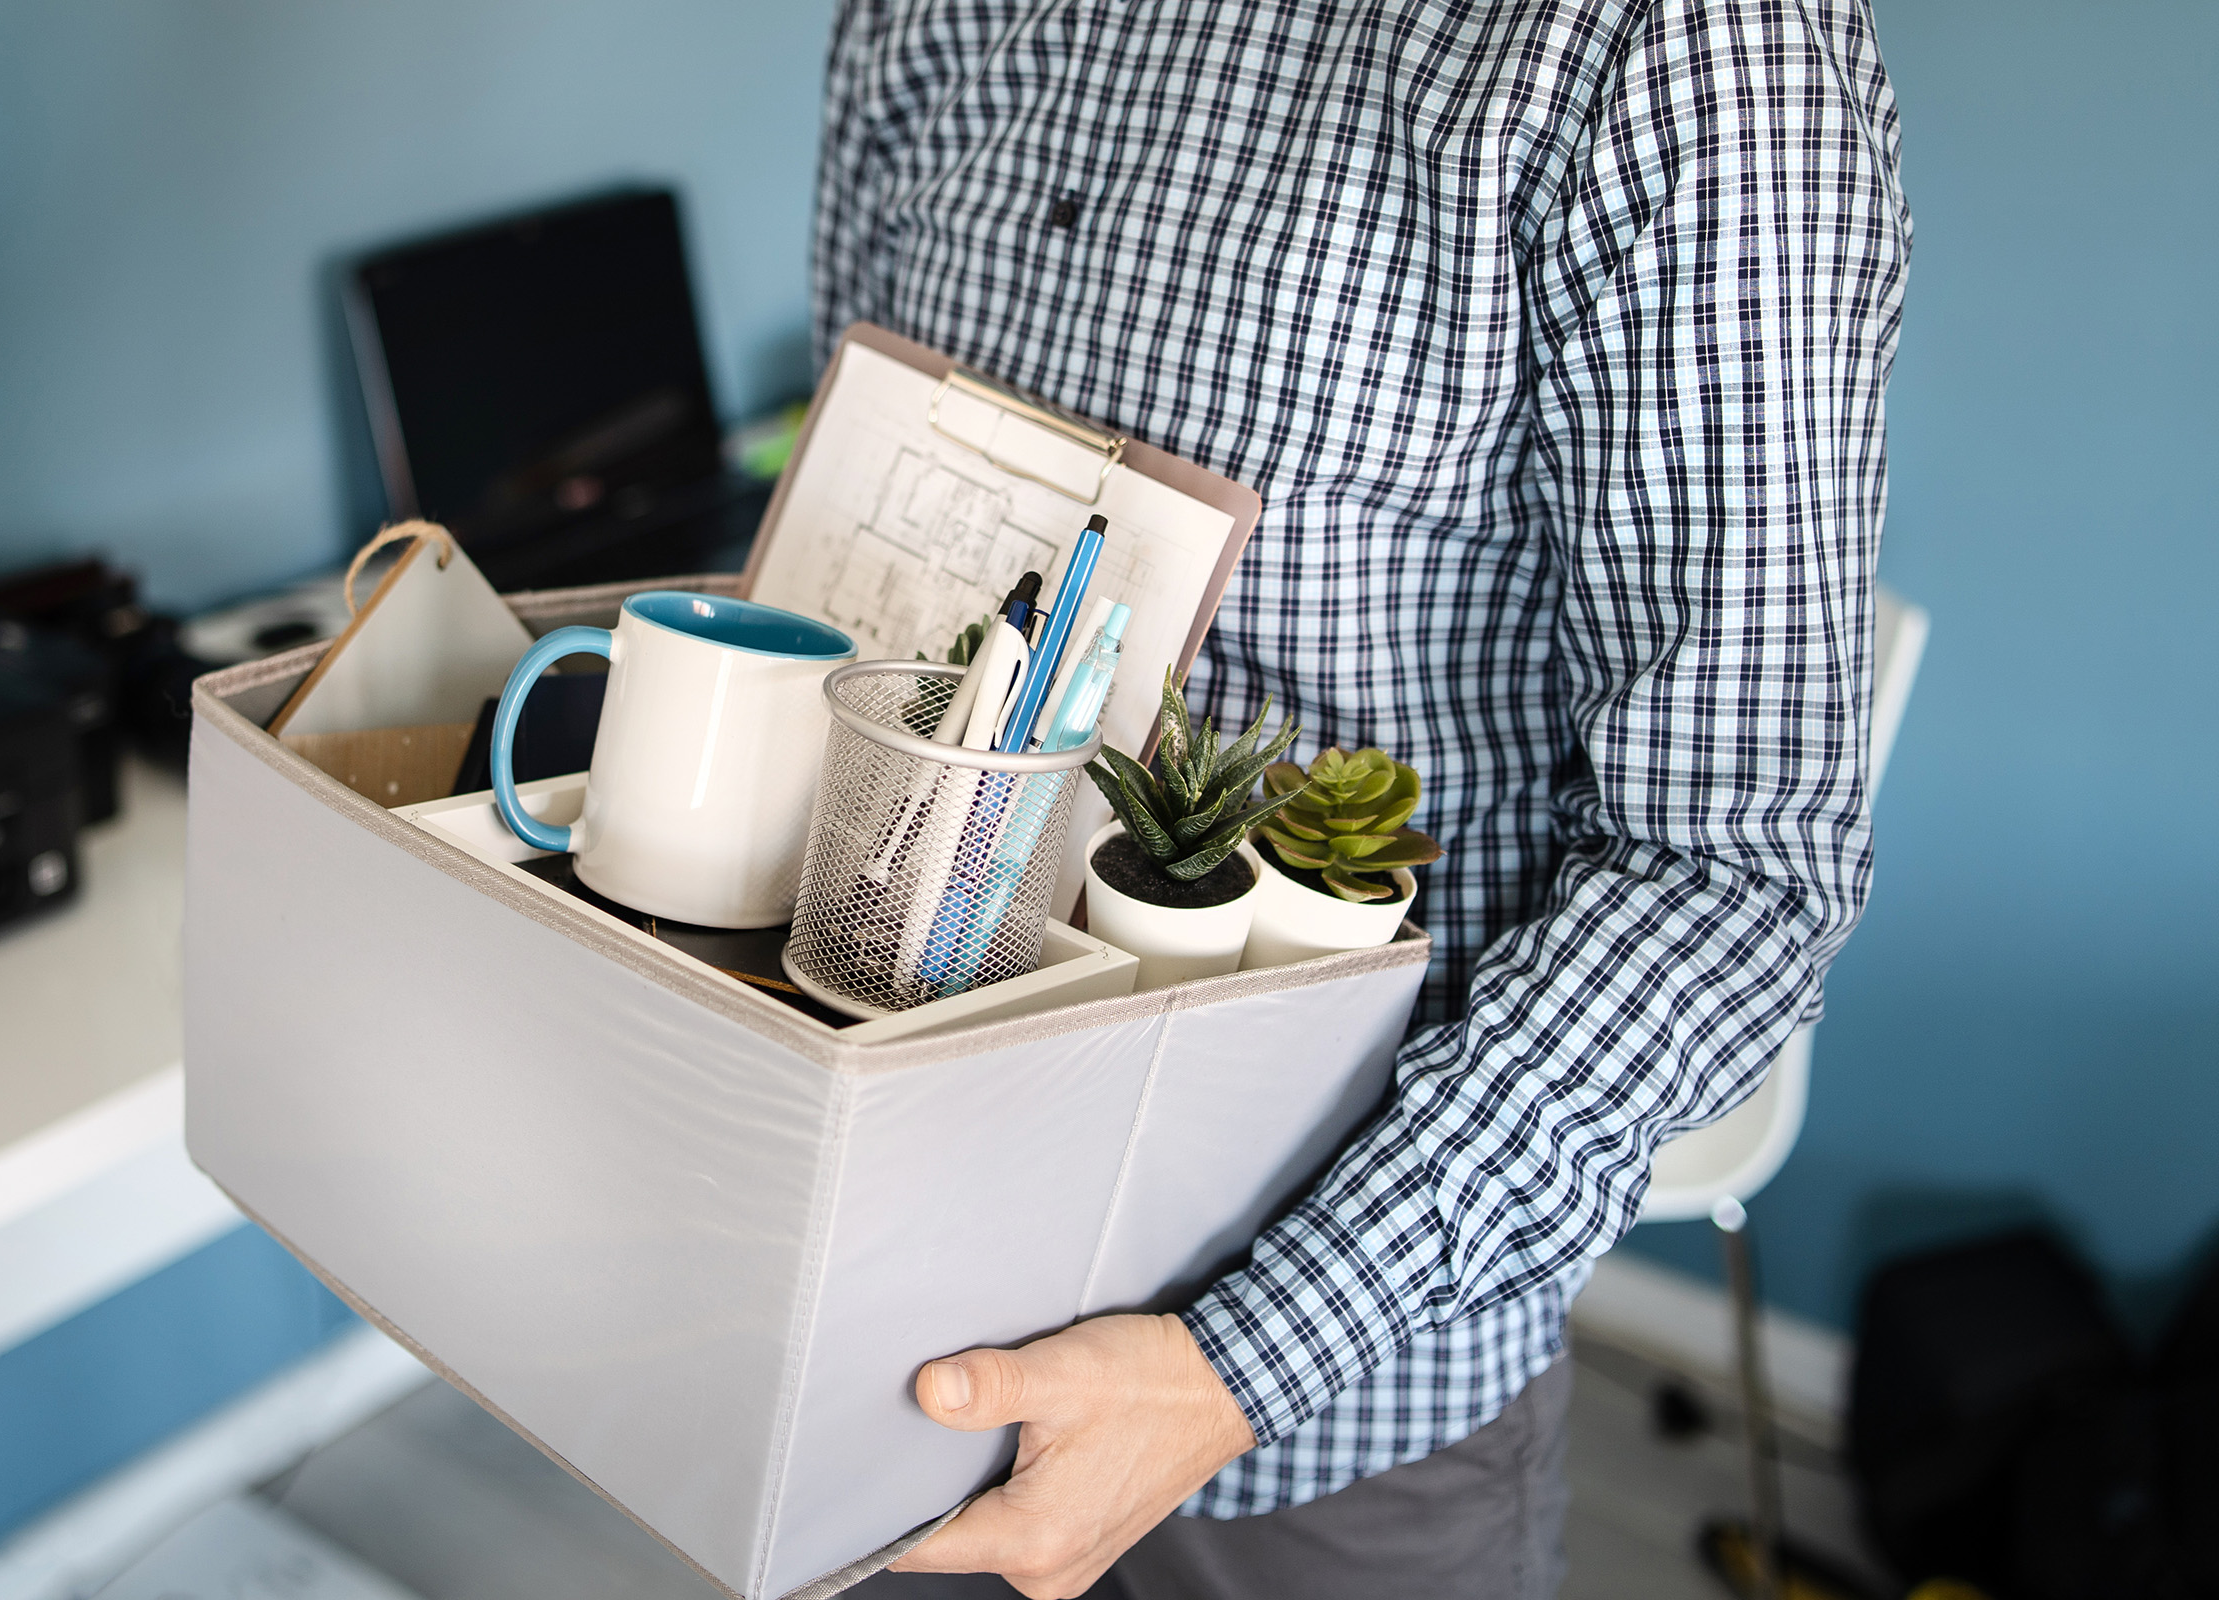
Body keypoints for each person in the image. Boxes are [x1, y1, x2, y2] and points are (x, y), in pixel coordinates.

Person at [814, 1, 1910, 1595]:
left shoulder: (1682, 48)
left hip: (1314, 1392)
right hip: (886, 1264)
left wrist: (1239, 1360)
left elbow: (1734, 864)